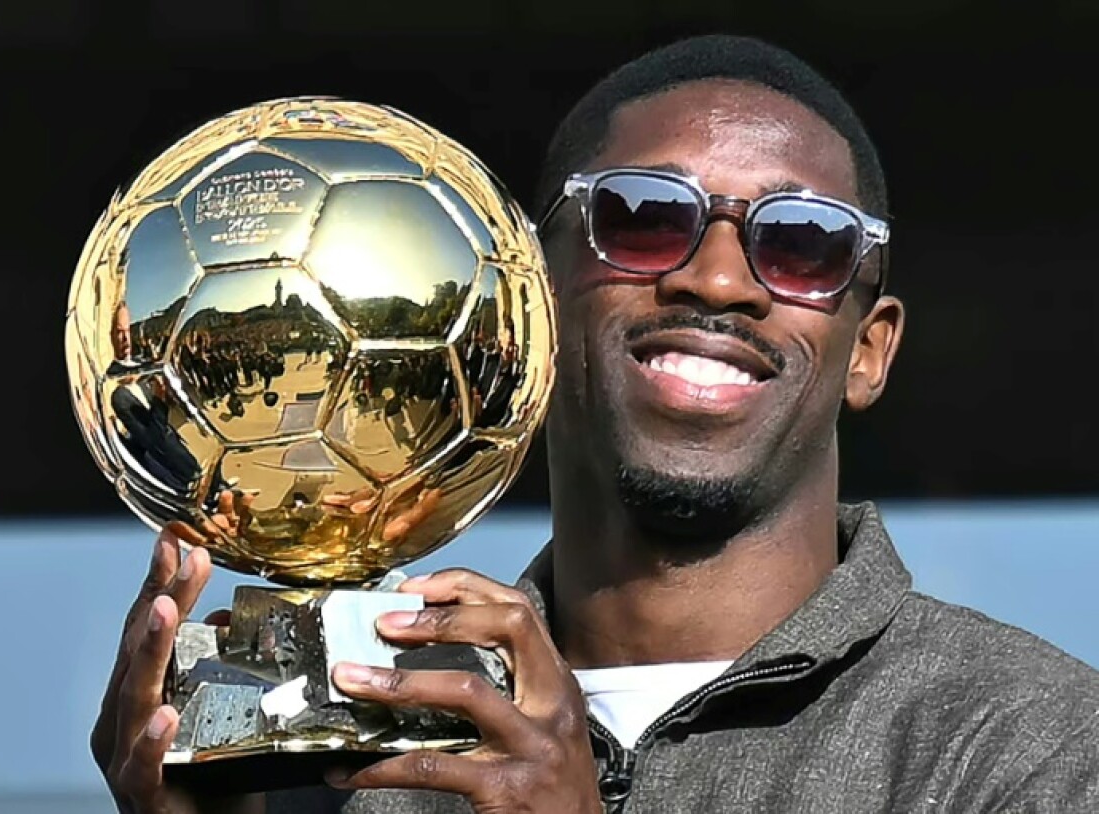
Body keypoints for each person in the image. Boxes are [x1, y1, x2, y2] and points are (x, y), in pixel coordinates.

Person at [90, 35, 1099, 813]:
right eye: (643, 218)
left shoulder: (1025, 743)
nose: (715, 278)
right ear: (530, 300)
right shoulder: (365, 740)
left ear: (868, 349)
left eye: (803, 242)